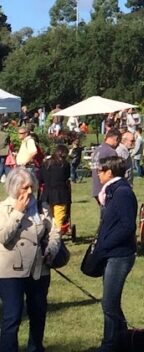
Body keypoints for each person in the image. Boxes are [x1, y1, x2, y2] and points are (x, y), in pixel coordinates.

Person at [0, 166, 62, 352]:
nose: (29, 191)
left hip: (39, 269)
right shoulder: (3, 208)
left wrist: (51, 250)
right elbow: (3, 237)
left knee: (38, 314)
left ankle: (35, 348)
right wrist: (18, 213)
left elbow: (54, 232)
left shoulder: (41, 207)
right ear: (13, 187)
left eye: (31, 187)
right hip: (11, 271)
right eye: (24, 187)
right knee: (12, 317)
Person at [94, 156, 137, 352]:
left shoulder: (122, 193)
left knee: (109, 303)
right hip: (111, 253)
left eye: (100, 171)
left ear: (110, 172)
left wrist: (106, 243)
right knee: (111, 302)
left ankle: (110, 344)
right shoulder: (111, 192)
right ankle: (123, 340)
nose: (97, 174)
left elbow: (127, 225)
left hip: (120, 255)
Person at [39, 145, 72, 237]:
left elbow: (41, 179)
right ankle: (56, 237)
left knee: (48, 218)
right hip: (61, 195)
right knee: (58, 219)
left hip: (47, 195)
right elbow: (67, 177)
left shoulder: (45, 164)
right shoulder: (65, 164)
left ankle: (48, 236)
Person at [92, 130, 121, 203]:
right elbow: (115, 172)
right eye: (119, 141)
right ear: (117, 138)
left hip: (96, 187)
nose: (118, 145)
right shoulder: (110, 152)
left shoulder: (97, 150)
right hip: (106, 189)